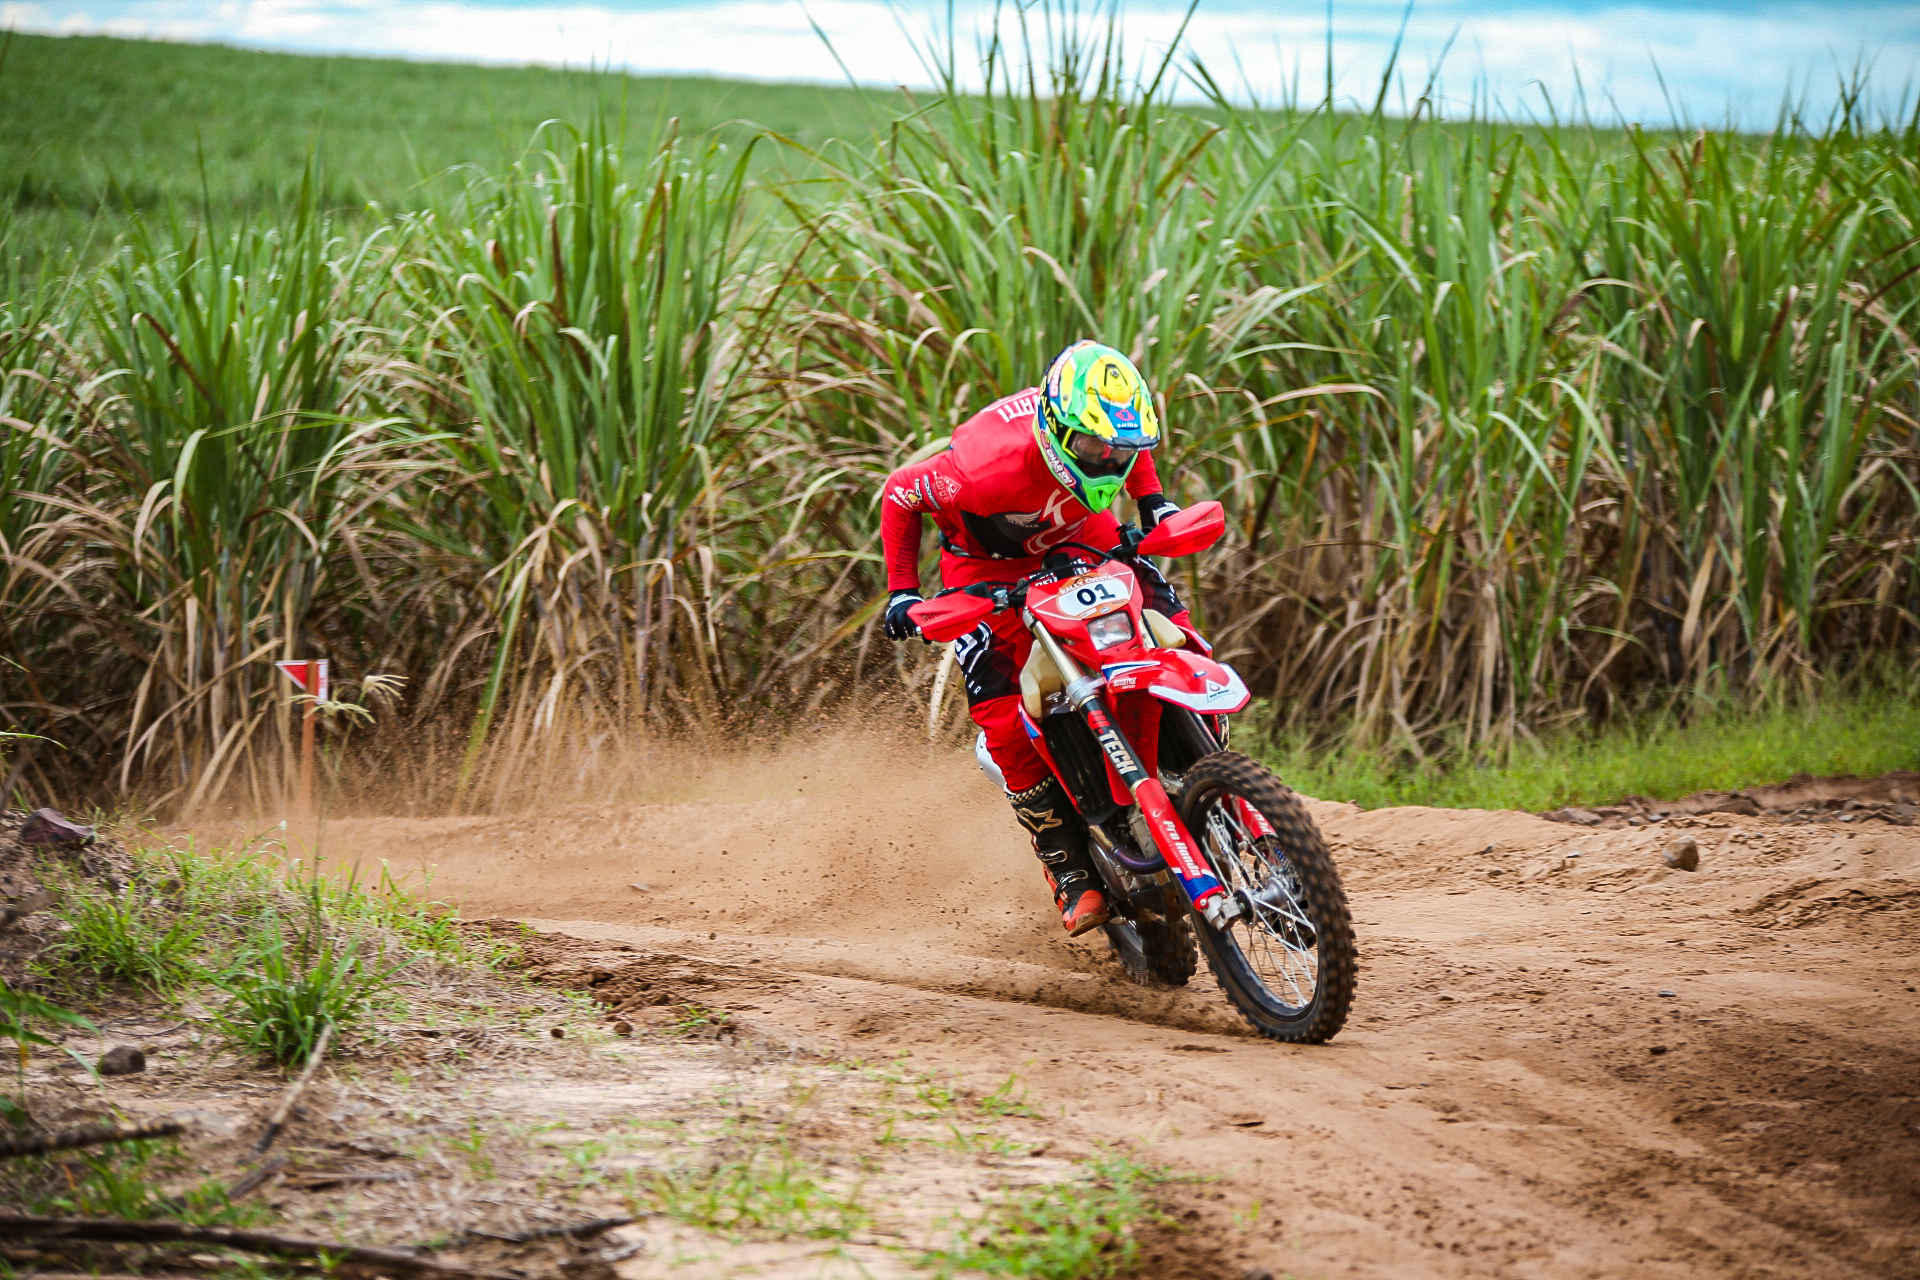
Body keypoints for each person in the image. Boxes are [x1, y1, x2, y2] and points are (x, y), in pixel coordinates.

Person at [878, 340, 1208, 936]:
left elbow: (1129, 451)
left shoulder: (1108, 440)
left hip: (1084, 532)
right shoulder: (980, 471)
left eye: (1122, 450)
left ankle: (1209, 769)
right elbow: (900, 492)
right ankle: (1067, 868)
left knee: (1171, 627)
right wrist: (903, 591)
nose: (1110, 461)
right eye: (1093, 448)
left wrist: (1154, 505)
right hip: (987, 568)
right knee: (1002, 714)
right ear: (1056, 431)